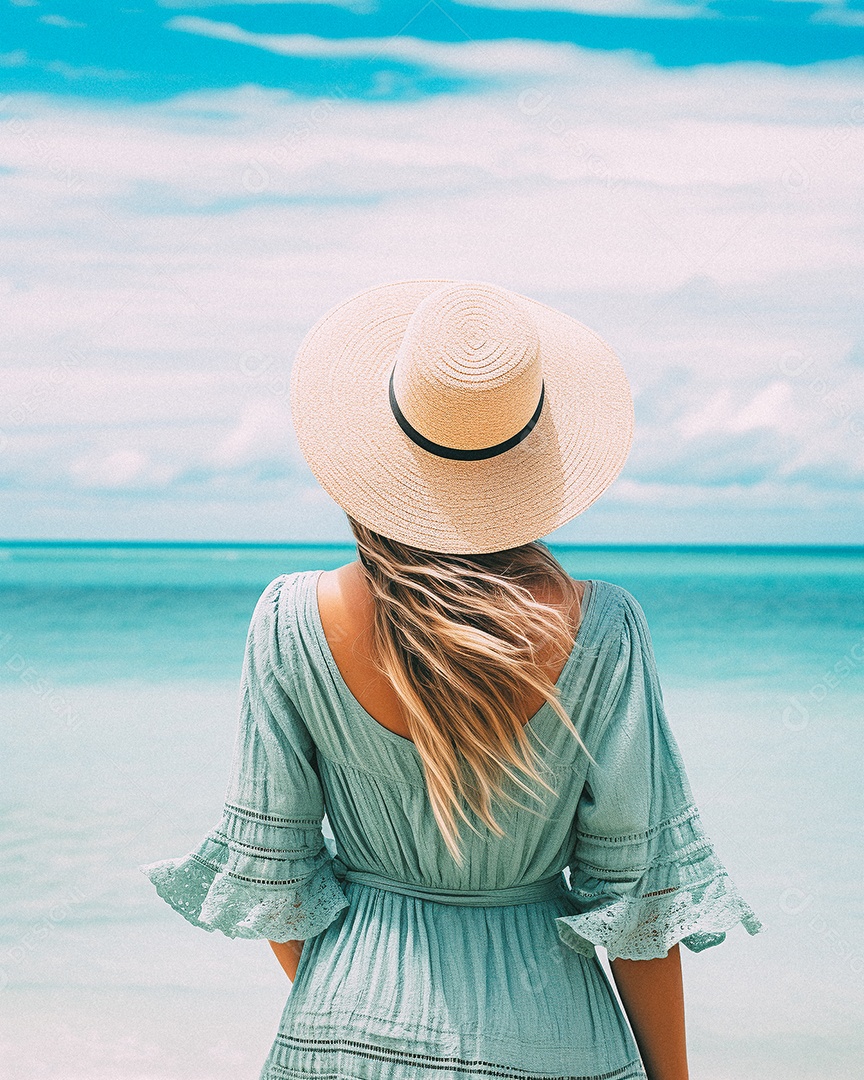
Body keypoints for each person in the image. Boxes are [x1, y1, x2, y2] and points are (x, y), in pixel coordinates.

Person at [140, 280, 763, 1080]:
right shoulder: (602, 631)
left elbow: (277, 882)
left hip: (338, 1030)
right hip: (555, 1035)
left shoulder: (291, 619)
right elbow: (638, 910)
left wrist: (369, 1000)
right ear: (532, 458)